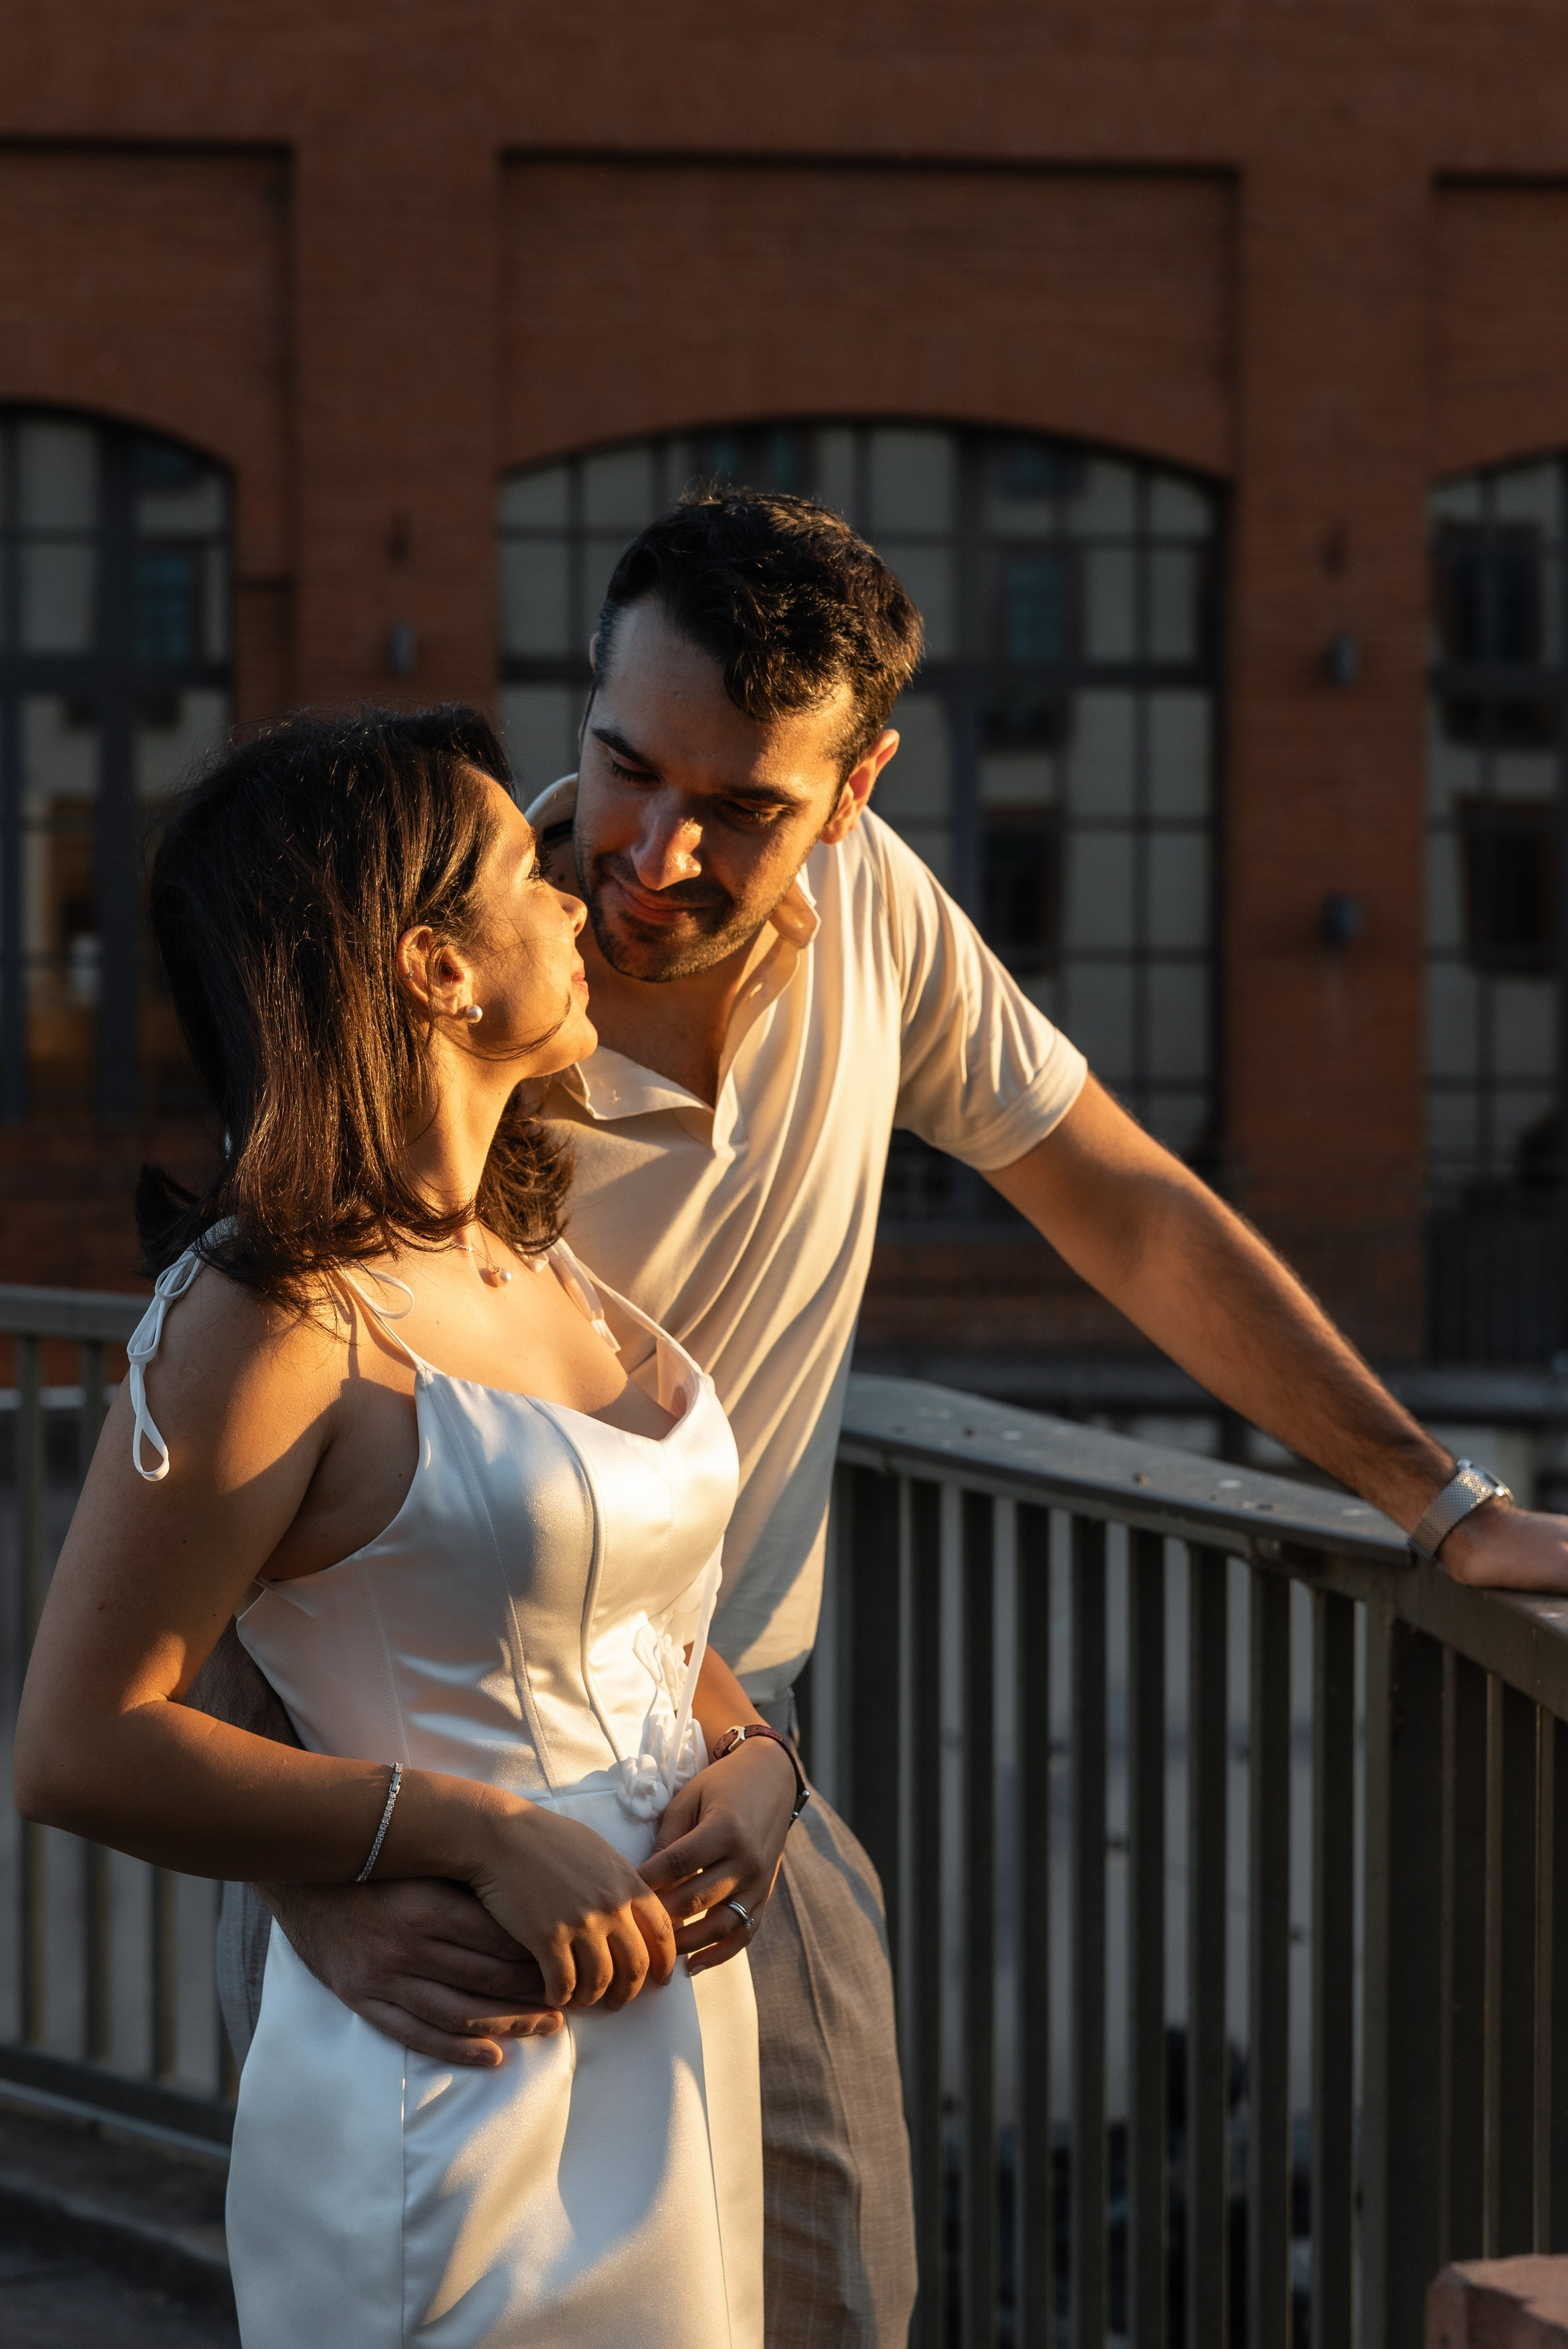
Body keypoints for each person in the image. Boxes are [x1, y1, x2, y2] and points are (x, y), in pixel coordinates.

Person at [195, 490, 1568, 2349]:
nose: (656, 854)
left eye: (744, 806)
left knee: (837, 2298)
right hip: (395, 1807)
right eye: (622, 767)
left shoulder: (878, 912)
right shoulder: (442, 990)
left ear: (855, 792)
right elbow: (232, 1493)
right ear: (584, 704)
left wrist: (1439, 1498)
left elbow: (1124, 1200)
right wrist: (319, 1883)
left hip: (732, 1765)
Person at [14, 707, 811, 2348]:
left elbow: (633, 1623)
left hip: (668, 2044)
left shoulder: (536, 1256)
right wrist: (466, 1829)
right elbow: (80, 1743)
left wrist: (762, 1762)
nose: (578, 900)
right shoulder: (269, 1313)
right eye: (531, 872)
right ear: (435, 966)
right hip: (460, 2072)